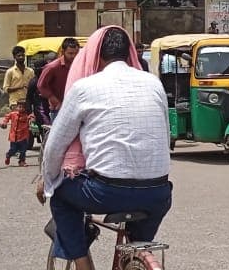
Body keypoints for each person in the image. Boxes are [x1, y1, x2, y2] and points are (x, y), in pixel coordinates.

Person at [39, 27, 171, 270]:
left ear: (95, 55)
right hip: (158, 193)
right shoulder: (153, 84)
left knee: (60, 196)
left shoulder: (84, 87)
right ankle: (135, 256)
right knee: (137, 239)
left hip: (105, 192)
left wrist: (48, 180)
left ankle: (82, 263)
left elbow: (55, 145)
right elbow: (165, 133)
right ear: (130, 52)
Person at [37, 38, 80, 121]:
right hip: (59, 110)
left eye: (76, 53)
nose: (73, 56)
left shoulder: (79, 65)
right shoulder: (53, 67)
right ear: (63, 52)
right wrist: (55, 101)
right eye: (70, 53)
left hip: (76, 109)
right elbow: (41, 86)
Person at [3, 45, 35, 113]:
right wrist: (19, 87)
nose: (21, 57)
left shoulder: (30, 71)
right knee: (17, 122)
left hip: (28, 102)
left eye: (23, 55)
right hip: (15, 103)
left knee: (27, 122)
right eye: (19, 56)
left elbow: (34, 86)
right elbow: (6, 89)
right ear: (14, 57)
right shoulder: (10, 71)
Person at [1, 101, 33, 166]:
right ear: (17, 107)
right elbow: (7, 117)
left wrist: (32, 119)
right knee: (13, 150)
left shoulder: (27, 115)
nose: (21, 109)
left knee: (23, 150)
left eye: (23, 107)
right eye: (20, 107)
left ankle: (21, 161)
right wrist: (5, 122)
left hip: (23, 137)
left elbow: (32, 117)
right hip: (14, 137)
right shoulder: (13, 114)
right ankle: (8, 155)